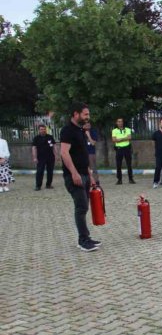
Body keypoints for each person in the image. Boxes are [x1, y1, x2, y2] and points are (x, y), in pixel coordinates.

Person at [59, 103, 100, 252]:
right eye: (85, 114)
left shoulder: (81, 131)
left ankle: (86, 238)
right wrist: (74, 173)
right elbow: (64, 153)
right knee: (81, 206)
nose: (88, 117)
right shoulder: (67, 130)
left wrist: (90, 175)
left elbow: (83, 155)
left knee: (84, 206)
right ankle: (83, 240)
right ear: (76, 114)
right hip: (74, 176)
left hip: (84, 174)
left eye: (88, 114)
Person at [31, 125, 57, 191]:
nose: (43, 130)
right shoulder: (36, 138)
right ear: (39, 130)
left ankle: (48, 184)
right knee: (39, 172)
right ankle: (38, 186)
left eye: (44, 129)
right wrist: (35, 157)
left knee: (50, 171)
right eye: (41, 129)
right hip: (40, 158)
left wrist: (56, 155)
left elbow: (54, 146)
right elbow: (34, 148)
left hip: (50, 157)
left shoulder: (50, 137)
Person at [112, 118, 135, 185]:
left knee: (129, 164)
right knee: (118, 165)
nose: (120, 123)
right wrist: (124, 138)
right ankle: (119, 180)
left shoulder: (127, 129)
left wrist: (119, 139)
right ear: (116, 123)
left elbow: (129, 137)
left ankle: (131, 179)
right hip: (119, 149)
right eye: (119, 122)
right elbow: (113, 140)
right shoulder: (114, 130)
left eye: (121, 121)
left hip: (127, 148)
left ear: (123, 122)